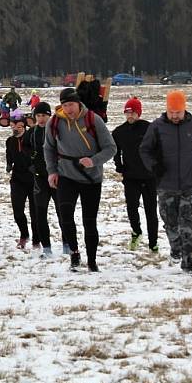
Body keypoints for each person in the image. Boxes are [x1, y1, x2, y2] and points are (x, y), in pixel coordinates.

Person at [139, 90, 192, 273]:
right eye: (171, 112)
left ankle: (188, 258)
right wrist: (154, 166)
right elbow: (144, 150)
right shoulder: (157, 127)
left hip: (190, 184)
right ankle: (176, 246)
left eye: (178, 112)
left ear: (184, 109)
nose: (175, 116)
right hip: (165, 185)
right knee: (171, 223)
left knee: (191, 224)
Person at [44, 87, 117, 272]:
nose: (68, 109)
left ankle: (92, 260)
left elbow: (111, 148)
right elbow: (49, 148)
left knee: (89, 221)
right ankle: (74, 253)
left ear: (78, 103)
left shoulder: (93, 120)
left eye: (71, 104)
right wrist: (52, 171)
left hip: (91, 177)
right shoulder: (54, 122)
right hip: (66, 175)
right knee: (66, 217)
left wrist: (93, 161)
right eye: (64, 105)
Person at [112, 97, 158, 253]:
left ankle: (153, 243)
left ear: (139, 113)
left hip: (150, 177)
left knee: (151, 211)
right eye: (127, 113)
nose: (130, 116)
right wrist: (119, 166)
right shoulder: (119, 132)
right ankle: (136, 232)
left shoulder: (149, 128)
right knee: (131, 208)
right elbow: (115, 150)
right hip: (130, 177)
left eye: (133, 112)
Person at [24, 101, 62, 257]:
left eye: (44, 116)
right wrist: (31, 162)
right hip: (39, 178)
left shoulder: (56, 130)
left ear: (49, 116)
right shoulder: (31, 132)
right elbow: (25, 148)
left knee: (62, 212)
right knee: (40, 213)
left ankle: (67, 244)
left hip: (57, 177)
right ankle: (46, 248)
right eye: (38, 116)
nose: (41, 119)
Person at [5, 114, 38, 250]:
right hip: (17, 179)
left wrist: (34, 164)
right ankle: (24, 235)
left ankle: (37, 239)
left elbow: (37, 153)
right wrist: (8, 164)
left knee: (34, 212)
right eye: (13, 127)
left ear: (25, 126)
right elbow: (9, 153)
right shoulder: (10, 141)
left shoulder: (31, 138)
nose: (16, 129)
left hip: (33, 179)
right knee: (17, 211)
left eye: (19, 127)